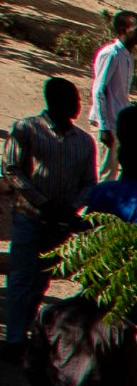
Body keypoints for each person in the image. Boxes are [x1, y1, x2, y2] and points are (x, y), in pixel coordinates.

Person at [5, 78, 94, 348]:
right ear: (54, 102)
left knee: (41, 280)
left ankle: (28, 331)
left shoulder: (84, 141)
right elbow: (12, 170)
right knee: (21, 278)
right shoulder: (26, 129)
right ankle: (15, 339)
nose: (78, 105)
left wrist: (72, 208)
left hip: (60, 224)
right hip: (30, 217)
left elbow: (89, 182)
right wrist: (42, 203)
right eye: (72, 100)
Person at [85, 11, 137, 140]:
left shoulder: (128, 57)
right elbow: (99, 90)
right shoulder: (111, 54)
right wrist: (104, 127)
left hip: (118, 123)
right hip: (105, 125)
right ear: (123, 30)